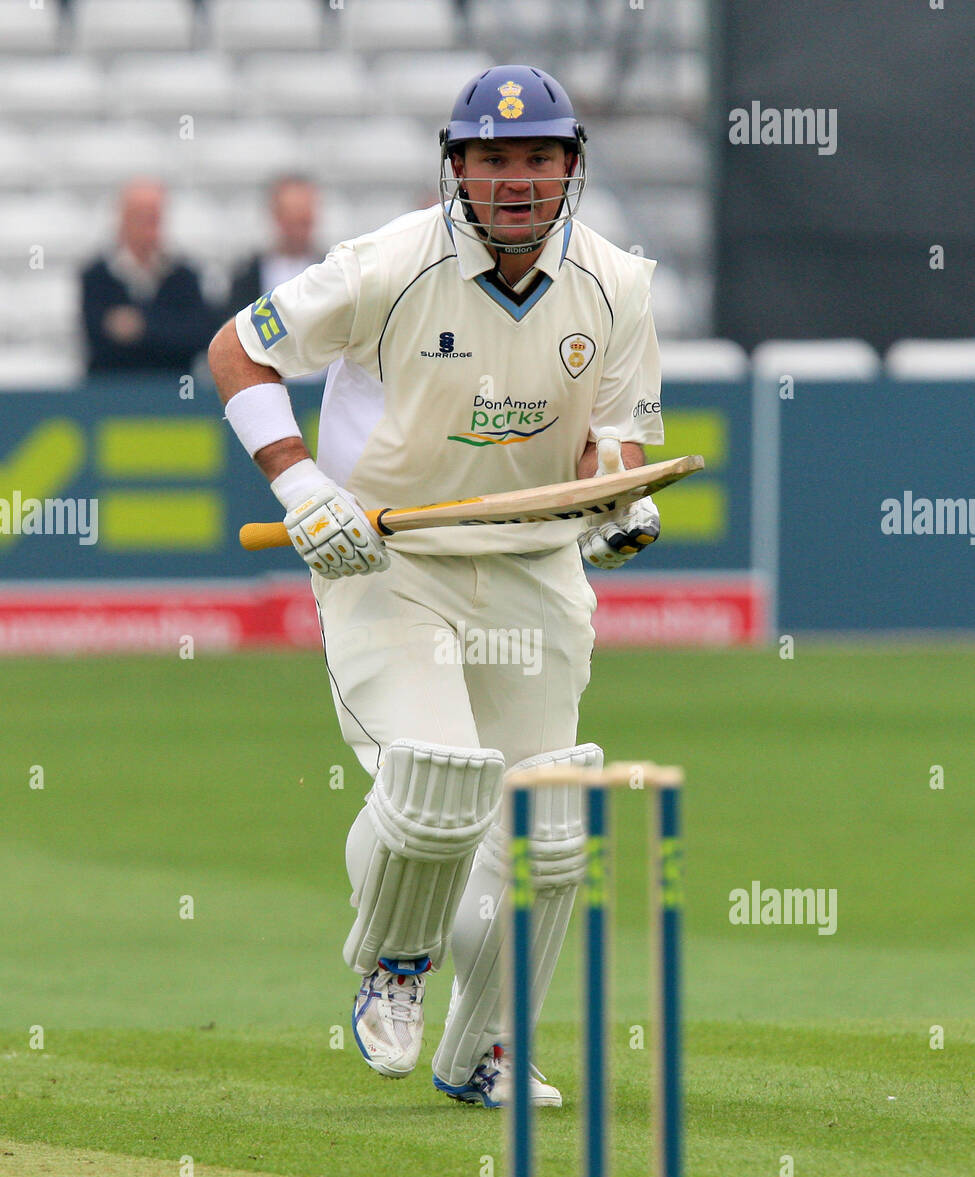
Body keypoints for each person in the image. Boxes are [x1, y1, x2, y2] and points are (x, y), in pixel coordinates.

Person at [208, 65, 665, 1108]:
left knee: (550, 827)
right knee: (439, 776)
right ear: (456, 168)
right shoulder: (388, 265)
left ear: (571, 168)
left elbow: (615, 441)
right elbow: (238, 351)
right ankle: (396, 961)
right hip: (388, 560)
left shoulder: (618, 285)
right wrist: (303, 481)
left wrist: (615, 504)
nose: (517, 181)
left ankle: (487, 1047)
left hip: (532, 569)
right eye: (493, 159)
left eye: (538, 159)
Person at [81, 180, 213, 377]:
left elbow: (198, 337)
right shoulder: (96, 276)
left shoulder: (185, 276)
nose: (146, 226)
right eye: (139, 217)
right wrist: (165, 329)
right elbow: (99, 343)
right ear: (122, 218)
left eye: (153, 217)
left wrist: (141, 327)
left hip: (171, 391)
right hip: (113, 392)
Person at [226, 176, 325, 313]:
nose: (297, 230)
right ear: (275, 216)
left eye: (303, 220)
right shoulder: (246, 278)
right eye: (291, 218)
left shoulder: (333, 273)